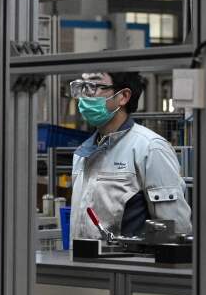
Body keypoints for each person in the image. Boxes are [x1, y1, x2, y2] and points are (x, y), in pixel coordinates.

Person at [69, 72, 191, 240]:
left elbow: (175, 227)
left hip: (130, 263)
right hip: (86, 262)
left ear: (123, 96)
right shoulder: (82, 153)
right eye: (82, 87)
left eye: (94, 86)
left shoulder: (150, 148)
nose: (85, 96)